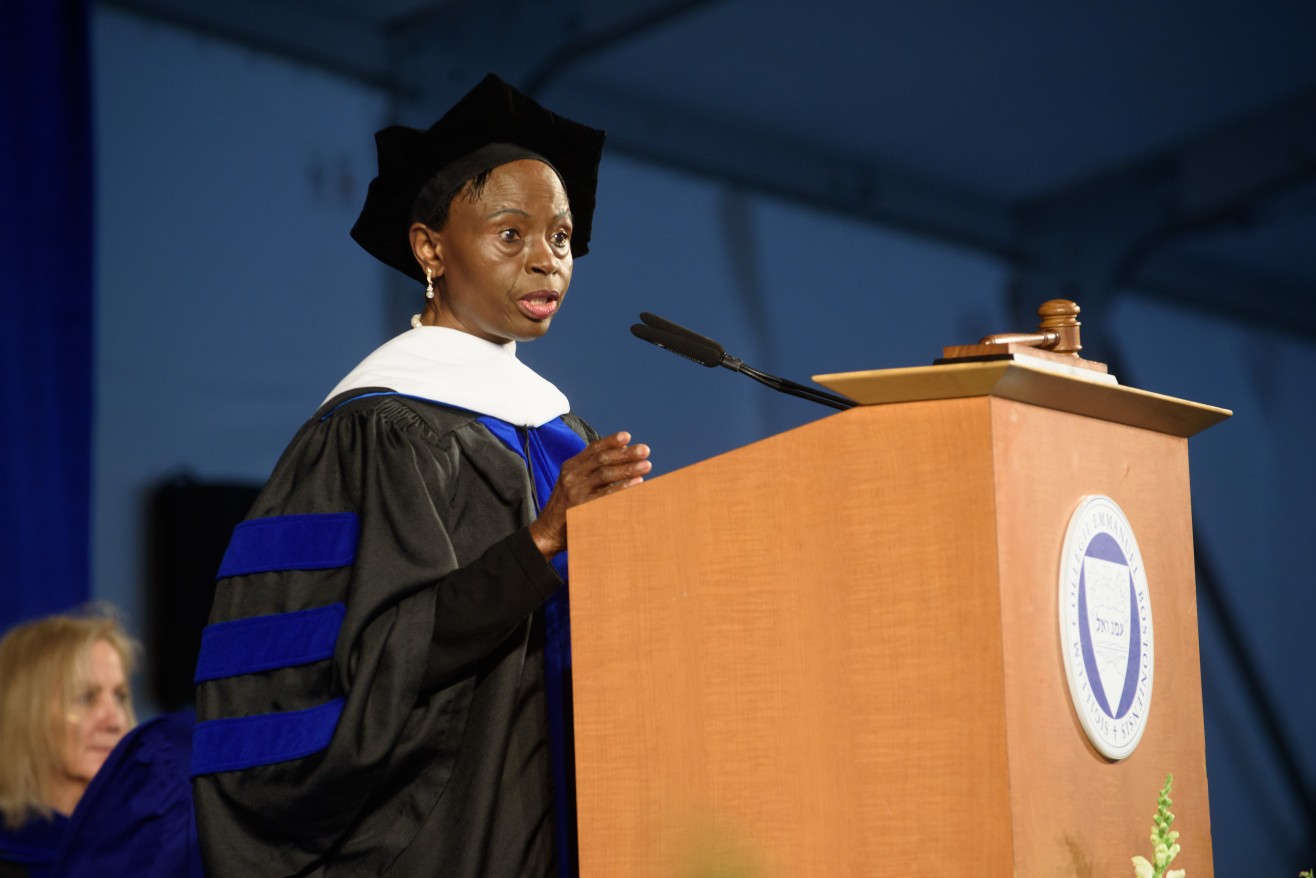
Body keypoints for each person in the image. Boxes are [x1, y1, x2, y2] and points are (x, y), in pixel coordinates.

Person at [192, 73, 651, 877]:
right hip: (446, 837)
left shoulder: (560, 433)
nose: (545, 262)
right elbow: (374, 658)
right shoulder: (377, 429)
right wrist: (542, 541)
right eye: (510, 235)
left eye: (561, 237)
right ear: (430, 249)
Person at [0, 611, 136, 877]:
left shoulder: (159, 848)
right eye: (86, 697)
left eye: (120, 697)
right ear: (26, 714)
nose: (116, 721)